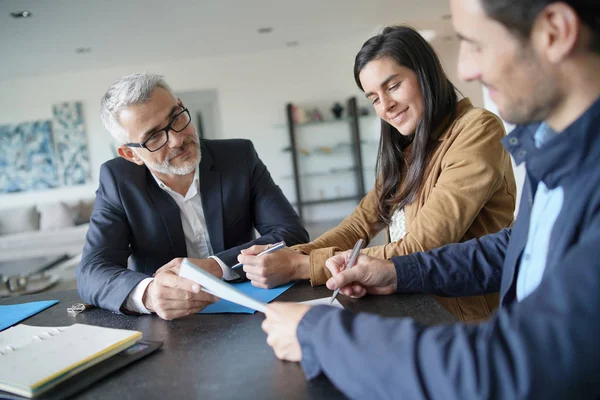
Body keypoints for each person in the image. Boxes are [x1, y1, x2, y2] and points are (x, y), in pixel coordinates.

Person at [262, 0, 600, 398]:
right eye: (373, 96)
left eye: (476, 44)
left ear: (555, 32)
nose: (467, 70)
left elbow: (510, 365)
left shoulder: (482, 130)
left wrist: (317, 328)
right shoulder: (550, 149)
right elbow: (512, 247)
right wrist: (392, 271)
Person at [238, 25, 516, 321]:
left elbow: (419, 249)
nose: (386, 106)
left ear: (426, 74)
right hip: (413, 308)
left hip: (469, 323)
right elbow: (357, 227)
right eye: (373, 98)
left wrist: (299, 266)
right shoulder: (407, 149)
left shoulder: (477, 129)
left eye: (393, 86)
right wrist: (287, 255)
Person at [76, 73, 309, 320]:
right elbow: (92, 271)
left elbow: (290, 233)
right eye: (154, 136)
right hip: (170, 325)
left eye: (176, 118)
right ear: (130, 154)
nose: (177, 139)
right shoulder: (118, 180)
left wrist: (215, 266)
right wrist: (149, 294)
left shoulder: (239, 157)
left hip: (250, 308)